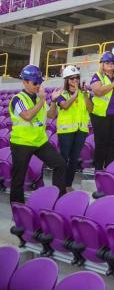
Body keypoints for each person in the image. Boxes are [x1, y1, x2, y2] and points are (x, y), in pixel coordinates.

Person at [9, 65, 66, 203]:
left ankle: (59, 199)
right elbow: (27, 116)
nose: (38, 85)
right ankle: (18, 212)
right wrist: (42, 100)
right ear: (25, 82)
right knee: (18, 179)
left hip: (39, 142)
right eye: (35, 83)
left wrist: (52, 101)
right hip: (21, 143)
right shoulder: (18, 99)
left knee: (60, 164)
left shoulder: (38, 98)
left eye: (39, 83)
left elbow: (52, 115)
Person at [90, 51, 114, 170]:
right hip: (101, 116)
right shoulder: (97, 76)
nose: (110, 64)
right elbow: (98, 91)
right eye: (107, 62)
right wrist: (113, 84)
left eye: (112, 62)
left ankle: (108, 168)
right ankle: (98, 169)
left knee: (113, 143)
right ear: (102, 64)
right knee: (101, 144)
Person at [57, 65, 92, 191]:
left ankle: (67, 185)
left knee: (74, 160)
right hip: (66, 132)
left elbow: (90, 109)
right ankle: (59, 185)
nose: (75, 80)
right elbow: (65, 106)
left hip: (80, 131)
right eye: (71, 78)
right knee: (63, 159)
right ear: (66, 80)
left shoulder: (84, 94)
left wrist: (84, 95)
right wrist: (75, 94)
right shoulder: (61, 94)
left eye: (77, 77)